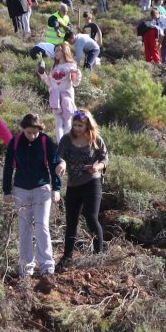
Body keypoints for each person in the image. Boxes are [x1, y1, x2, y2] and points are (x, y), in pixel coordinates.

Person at [3, 114, 60, 281]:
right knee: (24, 228)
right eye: (29, 132)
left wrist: (56, 188)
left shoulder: (45, 141)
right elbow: (8, 167)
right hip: (21, 190)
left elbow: (54, 164)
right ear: (24, 129)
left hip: (42, 189)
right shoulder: (15, 142)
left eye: (35, 132)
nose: (33, 136)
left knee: (42, 226)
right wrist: (7, 190)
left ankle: (47, 266)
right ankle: (26, 267)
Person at [54, 109, 109, 271]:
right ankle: (67, 257)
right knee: (71, 221)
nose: (77, 128)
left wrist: (97, 166)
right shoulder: (66, 139)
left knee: (91, 217)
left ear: (87, 125)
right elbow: (58, 156)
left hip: (92, 183)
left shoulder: (95, 139)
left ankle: (99, 255)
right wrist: (62, 163)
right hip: (73, 185)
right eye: (75, 125)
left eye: (80, 125)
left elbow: (105, 158)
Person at [39, 43, 82, 143]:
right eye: (55, 51)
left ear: (64, 51)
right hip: (55, 96)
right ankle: (60, 146)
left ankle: (67, 144)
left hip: (66, 96)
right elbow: (50, 83)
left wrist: (76, 72)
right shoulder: (55, 67)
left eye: (58, 50)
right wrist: (42, 74)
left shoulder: (71, 65)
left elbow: (75, 83)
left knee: (67, 121)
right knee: (58, 122)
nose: (56, 53)